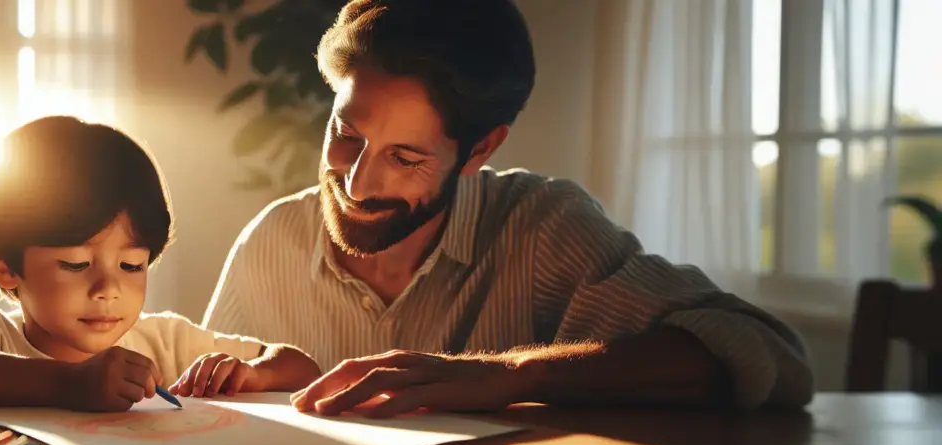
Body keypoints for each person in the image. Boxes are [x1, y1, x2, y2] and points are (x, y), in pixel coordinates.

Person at [202, 0, 813, 418]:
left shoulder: (544, 228)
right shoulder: (272, 240)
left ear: (480, 150)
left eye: (406, 158)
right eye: (346, 135)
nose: (357, 185)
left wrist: (513, 376)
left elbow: (771, 355)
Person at [0, 116, 320, 411]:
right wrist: (69, 383)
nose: (108, 289)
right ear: (3, 266)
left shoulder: (165, 342)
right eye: (76, 264)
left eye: (132, 266)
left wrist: (254, 374)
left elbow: (300, 367)